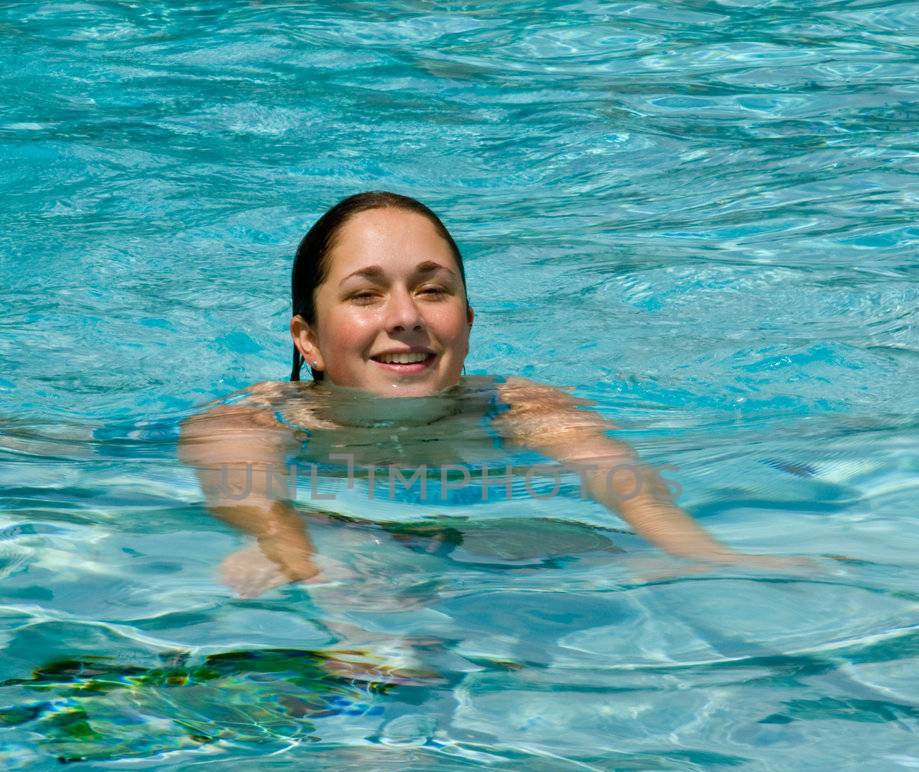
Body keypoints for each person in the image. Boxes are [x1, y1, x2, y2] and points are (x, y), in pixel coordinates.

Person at [180, 192, 797, 597]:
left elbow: (628, 488)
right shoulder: (250, 420)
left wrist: (712, 561)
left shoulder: (522, 407)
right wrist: (306, 565)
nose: (405, 317)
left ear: (468, 324)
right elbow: (253, 501)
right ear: (308, 341)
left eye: (432, 289)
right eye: (366, 295)